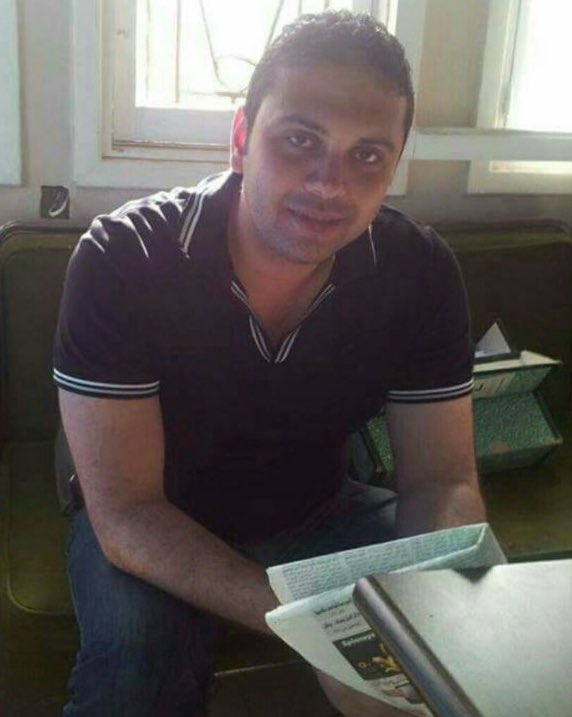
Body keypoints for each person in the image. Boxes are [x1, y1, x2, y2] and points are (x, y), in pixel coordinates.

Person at [53, 10, 485, 717]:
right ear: (240, 140)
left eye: (367, 156)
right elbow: (127, 513)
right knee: (137, 675)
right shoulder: (124, 259)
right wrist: (319, 627)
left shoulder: (420, 271)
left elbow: (442, 480)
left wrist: (429, 609)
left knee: (469, 648)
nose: (330, 184)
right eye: (299, 140)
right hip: (157, 512)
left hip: (320, 504)